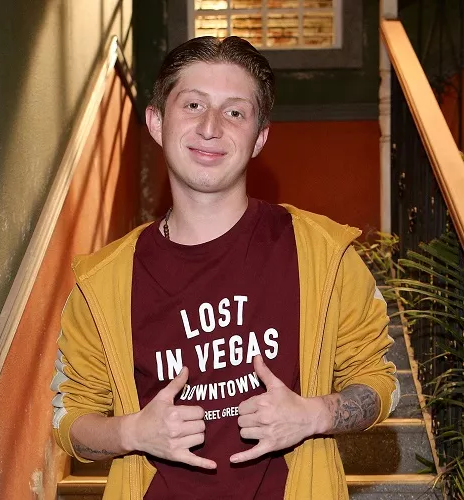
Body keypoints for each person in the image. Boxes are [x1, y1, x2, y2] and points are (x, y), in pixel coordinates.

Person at [51, 35, 399, 500]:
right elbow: (70, 420)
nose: (211, 127)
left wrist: (312, 415)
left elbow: (381, 382)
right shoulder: (102, 283)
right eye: (193, 105)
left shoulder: (324, 254)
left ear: (259, 138)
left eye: (235, 112)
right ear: (156, 122)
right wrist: (133, 432)